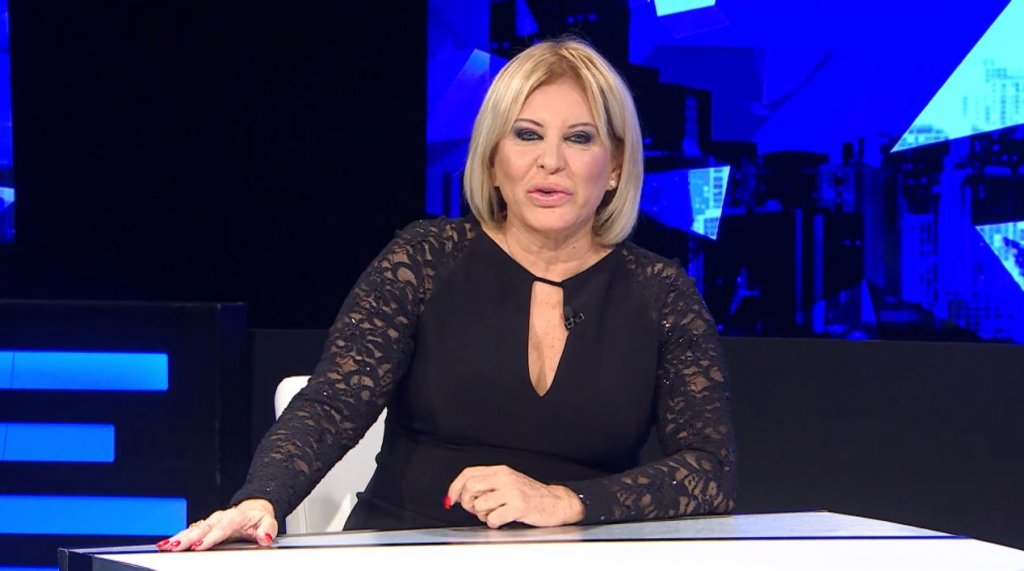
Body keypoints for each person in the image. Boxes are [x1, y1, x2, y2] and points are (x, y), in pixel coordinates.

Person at [157, 37, 736, 552]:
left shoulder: (663, 294)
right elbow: (333, 403)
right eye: (527, 135)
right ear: (493, 160)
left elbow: (709, 472)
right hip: (409, 547)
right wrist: (261, 498)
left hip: (577, 555)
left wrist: (566, 501)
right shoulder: (426, 259)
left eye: (578, 139)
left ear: (614, 167)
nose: (550, 161)